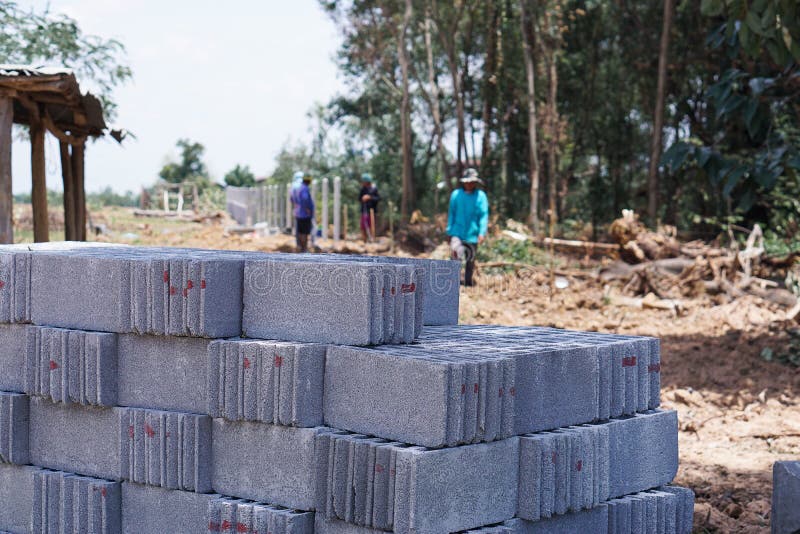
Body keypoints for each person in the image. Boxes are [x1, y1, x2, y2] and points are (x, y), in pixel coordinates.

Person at [447, 168, 489, 286]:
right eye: (467, 182)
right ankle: (453, 282)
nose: (469, 184)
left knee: (470, 260)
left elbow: (483, 215)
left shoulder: (481, 196)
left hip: (473, 234)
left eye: (472, 182)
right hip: (457, 232)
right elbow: (452, 213)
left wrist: (482, 232)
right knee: (455, 254)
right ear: (463, 182)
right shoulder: (456, 195)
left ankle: (468, 282)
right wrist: (449, 231)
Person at [290, 171, 314, 252]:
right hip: (305, 214)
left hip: (298, 213)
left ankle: (300, 247)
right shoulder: (303, 187)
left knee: (299, 232)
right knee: (305, 233)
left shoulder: (293, 186)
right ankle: (304, 249)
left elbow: (292, 200)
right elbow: (304, 199)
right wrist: (307, 208)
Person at [359, 173, 381, 242]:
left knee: (372, 226)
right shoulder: (363, 189)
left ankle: (372, 240)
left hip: (372, 211)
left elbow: (378, 198)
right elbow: (359, 198)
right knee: (363, 227)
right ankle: (364, 241)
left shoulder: (374, 188)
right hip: (364, 211)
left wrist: (370, 198)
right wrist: (363, 198)